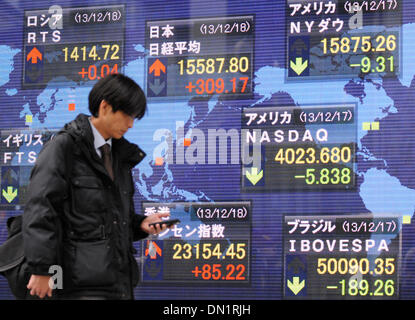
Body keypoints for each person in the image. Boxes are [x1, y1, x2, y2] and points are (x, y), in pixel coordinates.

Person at [22, 73, 169, 300]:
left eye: (134, 117)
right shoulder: (64, 147)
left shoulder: (121, 156)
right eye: (127, 115)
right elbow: (41, 209)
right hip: (78, 284)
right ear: (105, 107)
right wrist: (43, 269)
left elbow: (111, 217)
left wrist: (141, 224)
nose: (131, 124)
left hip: (119, 281)